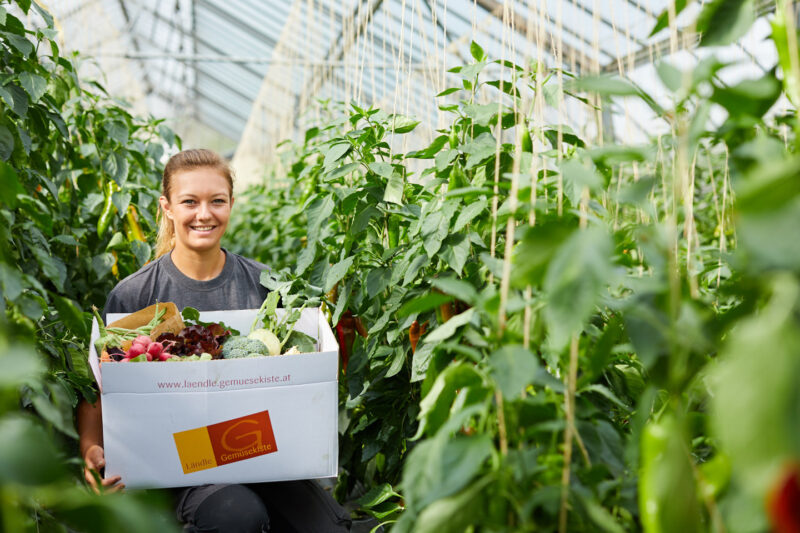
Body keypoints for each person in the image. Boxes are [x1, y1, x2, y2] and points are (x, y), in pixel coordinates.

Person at [76, 149, 352, 533]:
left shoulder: (264, 284)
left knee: (331, 528)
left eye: (216, 201)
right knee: (237, 516)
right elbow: (99, 388)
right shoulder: (136, 295)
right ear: (167, 207)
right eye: (189, 201)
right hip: (179, 463)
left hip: (258, 449)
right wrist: (91, 449)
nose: (204, 214)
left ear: (232, 205)